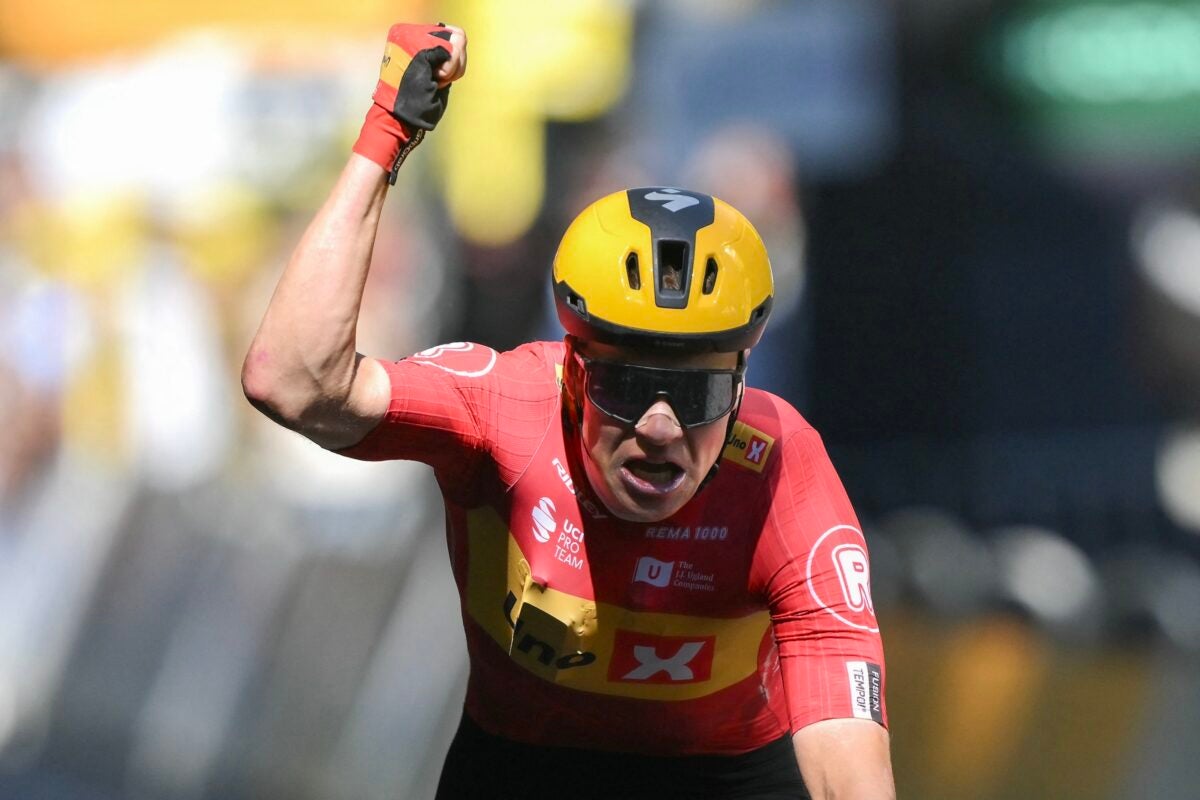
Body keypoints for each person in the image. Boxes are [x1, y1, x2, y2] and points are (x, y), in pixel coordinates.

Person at [242, 22, 895, 800]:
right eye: (629, 388)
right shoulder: (502, 408)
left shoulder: (782, 466)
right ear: (573, 373)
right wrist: (386, 133)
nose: (661, 427)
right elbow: (293, 382)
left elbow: (848, 761)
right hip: (522, 772)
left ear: (742, 383)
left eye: (698, 396)